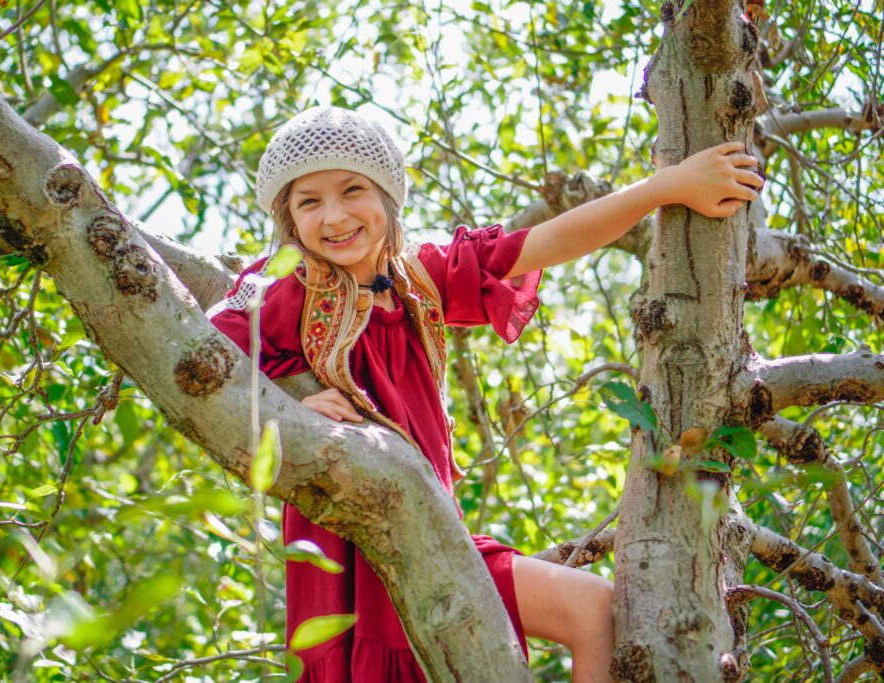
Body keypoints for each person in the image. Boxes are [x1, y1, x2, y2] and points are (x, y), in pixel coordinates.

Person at [208, 106, 763, 682]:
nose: (335, 215)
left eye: (352, 190)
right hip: (353, 558)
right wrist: (287, 409)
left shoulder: (420, 277)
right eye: (309, 201)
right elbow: (203, 352)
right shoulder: (281, 283)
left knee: (594, 607)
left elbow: (545, 242)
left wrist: (663, 188)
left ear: (388, 198)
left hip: (437, 531)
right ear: (288, 220)